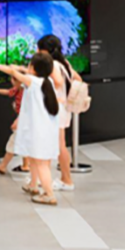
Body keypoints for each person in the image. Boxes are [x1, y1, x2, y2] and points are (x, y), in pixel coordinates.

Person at [0, 53, 61, 205]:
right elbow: (20, 71)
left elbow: (15, 73)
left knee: (41, 164)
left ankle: (49, 194)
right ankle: (33, 185)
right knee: (35, 158)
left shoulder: (32, 82)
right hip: (46, 130)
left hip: (38, 131)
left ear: (33, 68)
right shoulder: (48, 82)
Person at [38, 35, 80, 192]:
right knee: (59, 144)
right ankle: (59, 178)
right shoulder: (65, 63)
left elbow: (58, 82)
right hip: (63, 109)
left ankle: (65, 180)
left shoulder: (53, 65)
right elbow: (78, 78)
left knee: (58, 145)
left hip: (56, 108)